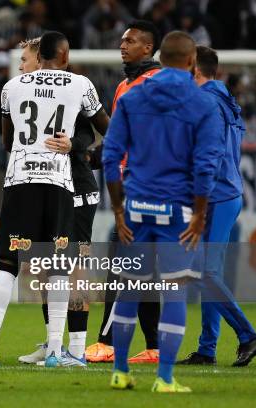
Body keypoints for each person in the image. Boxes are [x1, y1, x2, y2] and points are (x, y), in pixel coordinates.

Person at [0, 30, 110, 368]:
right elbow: (107, 128)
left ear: (40, 56)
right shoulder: (80, 85)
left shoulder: (12, 87)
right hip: (58, 183)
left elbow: (8, 142)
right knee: (59, 269)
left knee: (8, 264)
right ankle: (55, 351)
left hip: (20, 180)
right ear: (65, 56)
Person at [103, 31, 223, 392]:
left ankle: (120, 372)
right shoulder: (202, 104)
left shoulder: (132, 95)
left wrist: (119, 210)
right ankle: (165, 378)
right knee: (174, 290)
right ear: (190, 62)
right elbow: (205, 166)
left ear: (160, 56)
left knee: (129, 289)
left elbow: (110, 157)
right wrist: (200, 214)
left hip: (137, 208)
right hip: (178, 211)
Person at [177, 46, 256, 367]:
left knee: (206, 272)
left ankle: (249, 336)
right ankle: (207, 348)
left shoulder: (206, 103)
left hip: (215, 196)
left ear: (195, 71)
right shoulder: (226, 100)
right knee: (207, 273)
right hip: (226, 194)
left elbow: (211, 155)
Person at [15, 37, 99, 367]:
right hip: (45, 188)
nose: (21, 65)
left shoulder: (72, 89)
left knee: (74, 267)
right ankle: (53, 342)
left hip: (76, 188)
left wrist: (73, 145)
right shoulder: (24, 92)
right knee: (45, 266)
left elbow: (89, 135)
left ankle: (77, 349)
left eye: (25, 59)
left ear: (42, 61)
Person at [86, 20, 163, 365]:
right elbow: (118, 138)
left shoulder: (156, 84)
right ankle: (154, 346)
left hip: (151, 186)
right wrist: (90, 154)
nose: (122, 45)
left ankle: (107, 342)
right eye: (122, 40)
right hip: (132, 183)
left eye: (130, 41)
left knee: (123, 262)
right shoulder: (123, 86)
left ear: (148, 48)